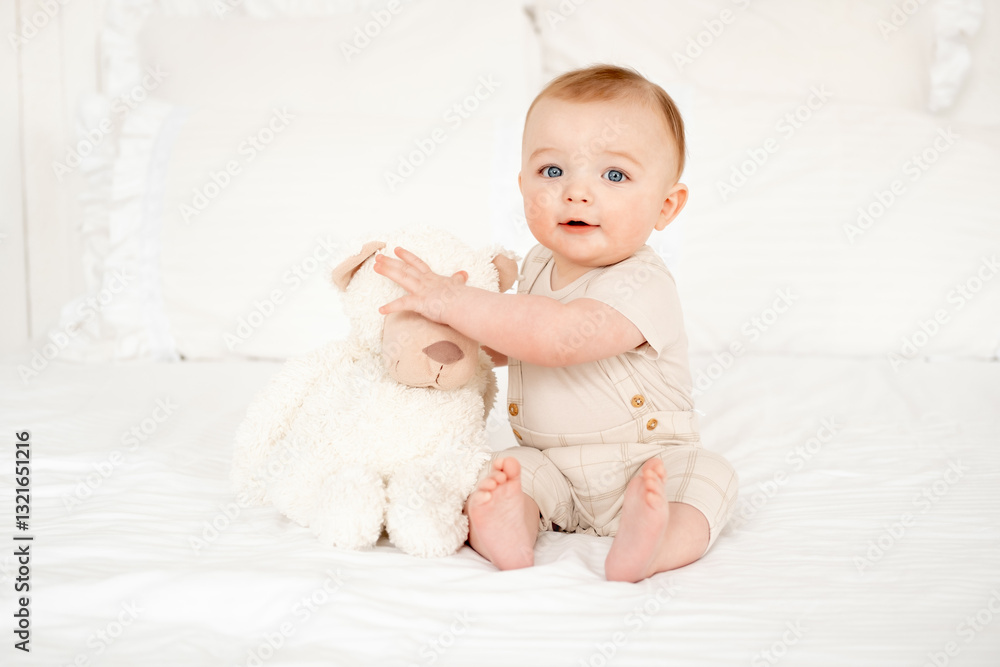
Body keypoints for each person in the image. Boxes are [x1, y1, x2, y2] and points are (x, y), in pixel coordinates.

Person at [374, 64, 738, 582]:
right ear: (522, 184)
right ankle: (506, 529)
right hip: (551, 463)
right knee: (501, 475)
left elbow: (560, 337)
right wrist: (444, 336)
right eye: (551, 171)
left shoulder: (643, 282)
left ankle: (655, 539)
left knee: (709, 478)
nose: (576, 193)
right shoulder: (537, 265)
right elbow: (518, 339)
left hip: (649, 461)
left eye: (614, 175)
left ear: (666, 205)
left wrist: (453, 300)